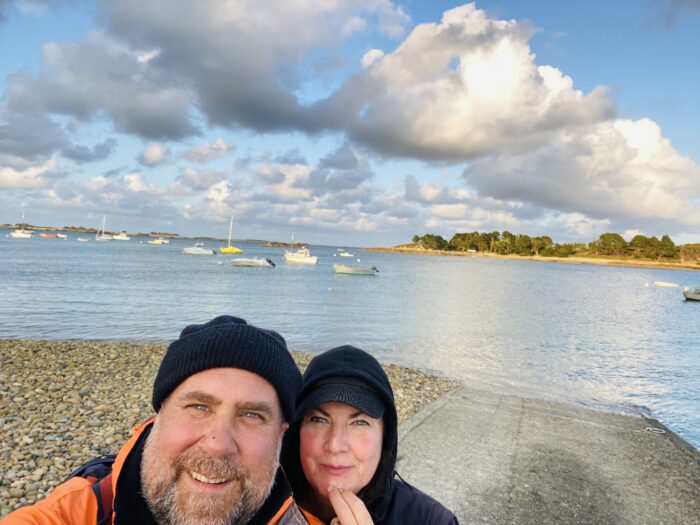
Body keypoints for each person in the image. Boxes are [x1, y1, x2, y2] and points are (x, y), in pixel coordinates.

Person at [3, 315, 309, 525]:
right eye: (199, 407)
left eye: (251, 415)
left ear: (280, 435)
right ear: (158, 416)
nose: (218, 445)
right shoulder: (74, 514)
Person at [282, 345, 458, 524]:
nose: (335, 445)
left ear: (385, 438)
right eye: (319, 420)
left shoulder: (431, 520)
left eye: (360, 422)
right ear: (296, 431)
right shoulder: (266, 503)